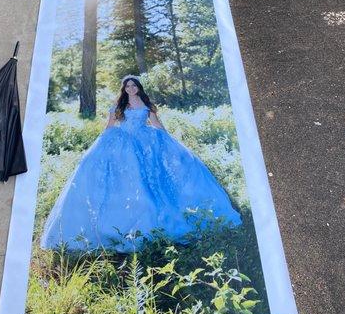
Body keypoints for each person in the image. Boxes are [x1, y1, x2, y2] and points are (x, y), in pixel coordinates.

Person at [40, 75, 242, 252]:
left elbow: (156, 124)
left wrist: (169, 141)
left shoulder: (146, 105)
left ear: (138, 87)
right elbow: (109, 127)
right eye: (127, 86)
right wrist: (101, 147)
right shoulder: (119, 106)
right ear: (123, 89)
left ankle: (154, 214)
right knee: (130, 179)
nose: (130, 88)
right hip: (125, 143)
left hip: (146, 143)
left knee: (152, 179)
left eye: (133, 85)